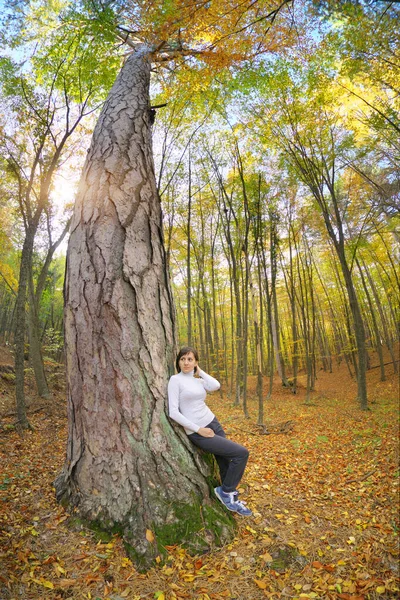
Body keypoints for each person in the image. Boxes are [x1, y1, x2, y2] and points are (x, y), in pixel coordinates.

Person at [168, 346, 252, 517]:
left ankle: (229, 498)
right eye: (183, 359)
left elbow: (215, 385)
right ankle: (226, 492)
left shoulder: (197, 380)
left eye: (190, 359)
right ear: (178, 361)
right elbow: (173, 412)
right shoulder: (175, 380)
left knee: (225, 461)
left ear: (196, 362)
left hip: (213, 422)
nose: (186, 362)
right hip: (198, 431)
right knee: (241, 454)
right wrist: (199, 430)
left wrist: (200, 371)